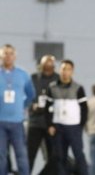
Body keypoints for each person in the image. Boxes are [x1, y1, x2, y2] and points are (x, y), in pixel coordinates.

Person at [45, 59, 89, 175]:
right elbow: (48, 107)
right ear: (60, 70)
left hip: (73, 127)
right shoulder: (52, 87)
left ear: (72, 72)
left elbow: (84, 108)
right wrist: (50, 124)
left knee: (78, 154)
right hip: (58, 126)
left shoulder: (78, 88)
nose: (65, 72)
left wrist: (81, 125)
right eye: (63, 69)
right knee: (59, 156)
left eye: (68, 69)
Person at [0, 44, 35, 175]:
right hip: (0, 122)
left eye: (10, 53)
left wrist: (22, 105)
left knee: (21, 154)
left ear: (15, 56)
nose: (8, 56)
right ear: (1, 56)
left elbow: (31, 94)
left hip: (17, 122)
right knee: (1, 156)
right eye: (5, 53)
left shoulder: (23, 74)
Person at [28, 54, 59, 172]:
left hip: (51, 124)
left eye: (51, 62)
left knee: (53, 156)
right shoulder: (33, 78)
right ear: (40, 64)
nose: (48, 64)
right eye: (46, 62)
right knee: (30, 154)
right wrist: (33, 106)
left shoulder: (58, 79)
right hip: (35, 122)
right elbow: (25, 97)